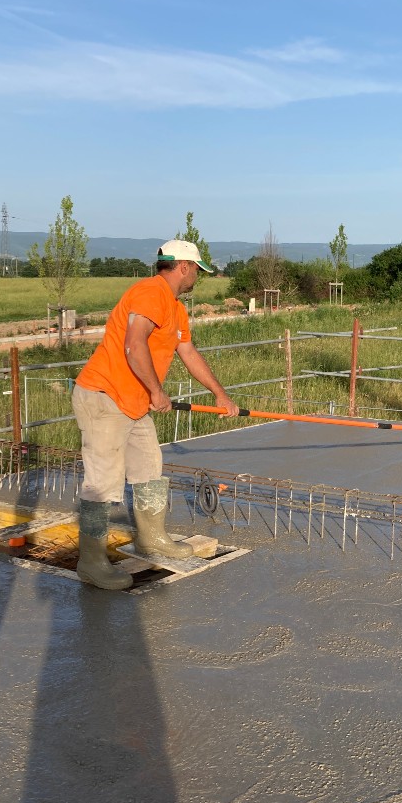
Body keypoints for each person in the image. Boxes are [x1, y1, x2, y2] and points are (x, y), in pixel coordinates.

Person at [72, 240, 239, 589]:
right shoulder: (150, 292)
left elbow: (188, 351)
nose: (197, 276)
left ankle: (152, 539)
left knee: (149, 467)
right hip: (105, 397)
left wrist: (220, 395)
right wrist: (156, 391)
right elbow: (134, 345)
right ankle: (90, 562)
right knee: (102, 483)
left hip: (132, 402)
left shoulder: (175, 307)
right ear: (183, 267)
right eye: (196, 269)